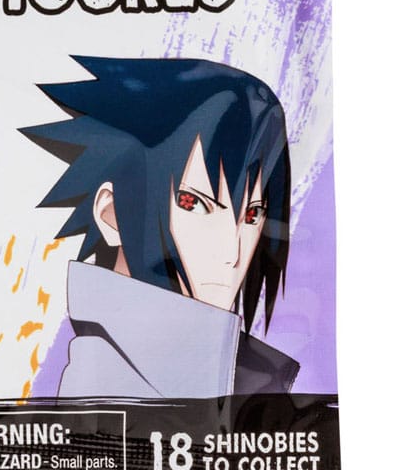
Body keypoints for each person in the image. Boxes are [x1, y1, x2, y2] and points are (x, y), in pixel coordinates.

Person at [23, 55, 298, 400]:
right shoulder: (110, 388)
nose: (232, 252)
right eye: (193, 203)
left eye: (253, 215)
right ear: (111, 214)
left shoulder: (234, 380)